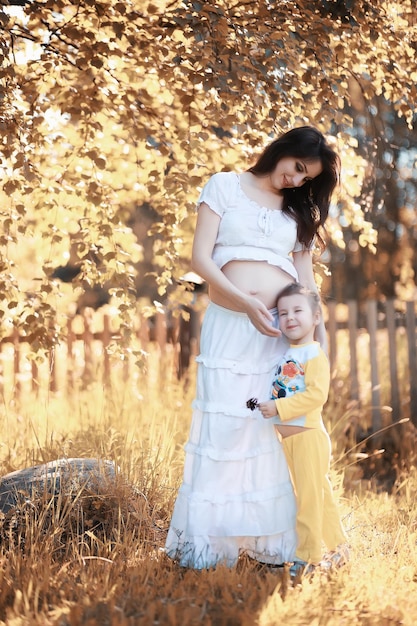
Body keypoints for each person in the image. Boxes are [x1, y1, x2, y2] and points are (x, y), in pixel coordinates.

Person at [165, 126, 341, 569]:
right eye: (297, 168)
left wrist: (314, 341)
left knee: (268, 432)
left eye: (307, 179)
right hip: (230, 325)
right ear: (282, 151)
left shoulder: (297, 211)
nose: (297, 181)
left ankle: (273, 543)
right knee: (226, 427)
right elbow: (200, 260)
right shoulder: (225, 185)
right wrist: (246, 304)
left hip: (280, 337)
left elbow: (305, 282)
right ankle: (210, 546)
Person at [257, 282, 348, 575]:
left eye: (298, 310)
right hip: (293, 441)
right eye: (283, 313)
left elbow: (316, 396)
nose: (290, 318)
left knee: (308, 502)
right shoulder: (287, 353)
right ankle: (340, 549)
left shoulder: (313, 355)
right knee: (319, 495)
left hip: (308, 437)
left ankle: (307, 558)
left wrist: (279, 409)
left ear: (316, 317)